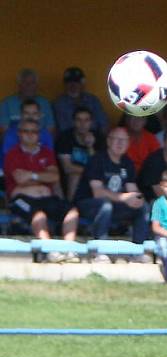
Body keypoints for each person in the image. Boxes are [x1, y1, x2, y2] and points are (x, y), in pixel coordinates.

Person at [4, 117, 79, 262]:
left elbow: (55, 176)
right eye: (26, 131)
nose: (30, 134)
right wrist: (43, 177)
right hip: (20, 199)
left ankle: (69, 250)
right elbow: (20, 180)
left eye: (34, 131)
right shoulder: (12, 154)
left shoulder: (46, 152)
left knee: (72, 211)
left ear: (39, 134)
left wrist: (31, 175)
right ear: (19, 133)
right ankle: (49, 251)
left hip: (46, 198)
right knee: (39, 215)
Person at [73, 127, 149, 262]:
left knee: (143, 207)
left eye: (124, 140)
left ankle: (137, 251)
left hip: (115, 205)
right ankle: (100, 251)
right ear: (108, 141)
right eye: (117, 139)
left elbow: (133, 190)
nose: (120, 143)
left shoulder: (127, 162)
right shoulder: (97, 159)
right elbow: (98, 192)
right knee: (106, 205)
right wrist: (125, 197)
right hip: (88, 203)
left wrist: (138, 199)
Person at [55, 106, 104, 201]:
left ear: (91, 122)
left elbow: (99, 166)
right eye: (79, 120)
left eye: (86, 120)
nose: (83, 124)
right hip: (68, 179)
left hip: (93, 178)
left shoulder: (99, 138)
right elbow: (67, 168)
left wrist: (90, 146)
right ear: (73, 122)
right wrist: (91, 171)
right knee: (75, 176)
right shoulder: (64, 138)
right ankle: (70, 208)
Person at [52, 66, 109, 134]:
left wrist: (99, 141)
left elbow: (103, 125)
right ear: (65, 84)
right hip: (68, 141)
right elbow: (60, 129)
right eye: (69, 82)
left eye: (76, 82)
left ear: (83, 83)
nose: (73, 85)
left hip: (94, 139)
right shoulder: (59, 104)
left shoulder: (93, 100)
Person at [0, 68, 55, 134]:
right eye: (25, 82)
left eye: (32, 83)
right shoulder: (6, 104)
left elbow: (51, 131)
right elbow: (4, 133)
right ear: (19, 85)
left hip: (41, 142)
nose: (29, 86)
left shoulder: (45, 103)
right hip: (14, 142)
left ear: (37, 85)